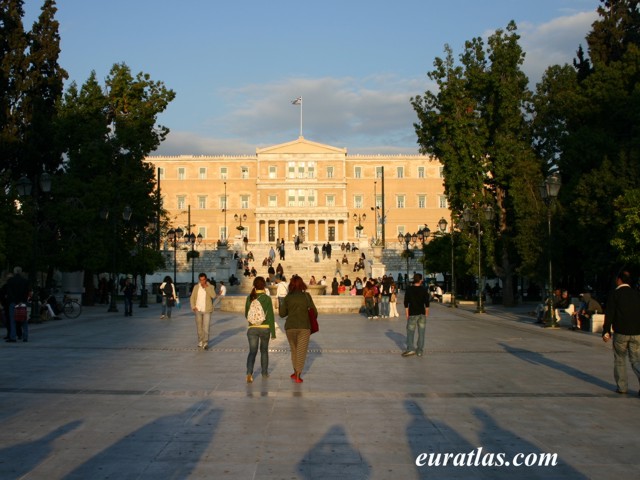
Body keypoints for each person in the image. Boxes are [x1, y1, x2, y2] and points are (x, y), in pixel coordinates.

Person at [602, 271, 640, 395]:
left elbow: (610, 314)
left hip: (621, 333)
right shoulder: (637, 294)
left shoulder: (615, 294)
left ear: (619, 280)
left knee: (620, 359)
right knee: (636, 360)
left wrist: (606, 331)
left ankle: (622, 387)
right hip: (637, 333)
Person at [279, 275, 317, 383]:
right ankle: (298, 375)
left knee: (294, 350)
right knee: (301, 351)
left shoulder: (288, 297)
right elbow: (314, 312)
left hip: (290, 327)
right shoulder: (306, 296)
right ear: (302, 284)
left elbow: (282, 314)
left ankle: (295, 372)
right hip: (304, 327)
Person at [244, 276, 276, 383]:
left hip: (252, 328)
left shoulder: (250, 297)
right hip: (265, 328)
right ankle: (264, 373)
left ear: (254, 285)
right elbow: (271, 316)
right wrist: (273, 333)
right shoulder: (267, 298)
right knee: (264, 351)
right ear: (264, 286)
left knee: (252, 352)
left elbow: (246, 314)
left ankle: (249, 373)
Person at [402, 273, 430, 357]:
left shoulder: (409, 289)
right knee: (421, 332)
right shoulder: (424, 289)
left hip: (412, 313)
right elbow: (427, 302)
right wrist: (426, 312)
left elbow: (406, 302)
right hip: (422, 313)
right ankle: (419, 350)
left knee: (410, 332)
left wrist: (407, 313)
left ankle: (410, 349)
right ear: (421, 280)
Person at [189, 273, 217, 350]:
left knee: (206, 327)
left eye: (203, 280)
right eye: (201, 280)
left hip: (207, 309)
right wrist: (193, 306)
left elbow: (213, 296)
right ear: (199, 280)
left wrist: (206, 287)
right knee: (199, 327)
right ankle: (200, 340)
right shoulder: (196, 287)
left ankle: (205, 342)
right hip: (198, 309)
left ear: (206, 279)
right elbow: (192, 298)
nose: (202, 281)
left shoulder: (210, 286)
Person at [6, 267, 30, 343]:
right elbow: (26, 292)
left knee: (12, 321)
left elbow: (9, 292)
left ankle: (13, 337)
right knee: (23, 319)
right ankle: (25, 337)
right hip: (22, 302)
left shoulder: (10, 281)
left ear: (14, 272)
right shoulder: (25, 281)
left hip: (13, 302)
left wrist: (15, 300)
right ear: (21, 272)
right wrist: (22, 301)